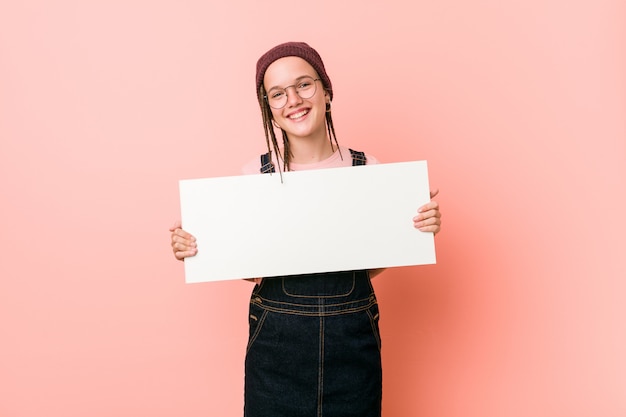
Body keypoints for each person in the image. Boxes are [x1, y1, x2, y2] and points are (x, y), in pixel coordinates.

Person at [170, 42, 441, 417]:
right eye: (277, 94)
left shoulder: (368, 170)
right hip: (276, 347)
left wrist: (416, 227)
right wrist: (199, 246)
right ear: (269, 110)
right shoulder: (253, 177)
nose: (293, 99)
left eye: (304, 85)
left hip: (352, 347)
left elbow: (371, 263)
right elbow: (250, 268)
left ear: (327, 92)